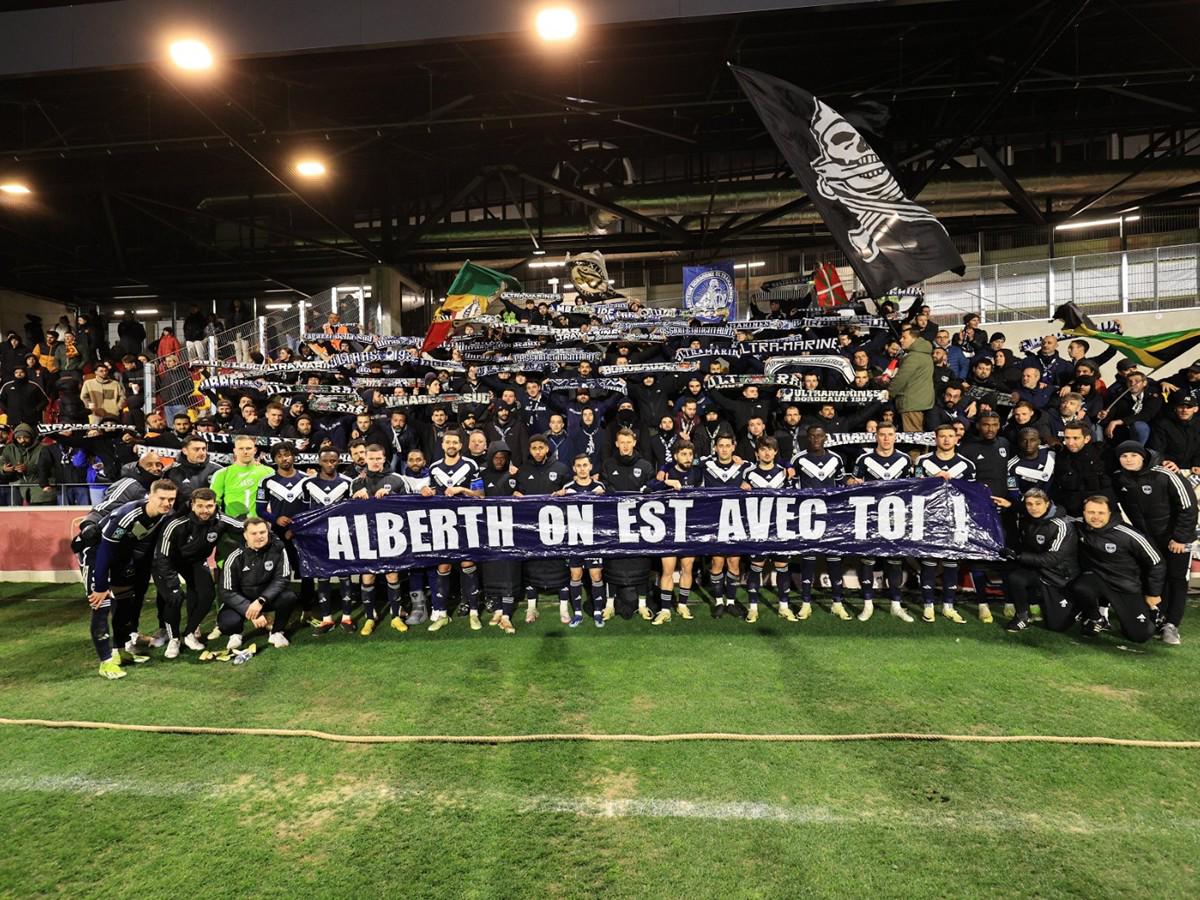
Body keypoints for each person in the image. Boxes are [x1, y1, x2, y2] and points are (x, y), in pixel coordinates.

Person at [83, 478, 177, 680]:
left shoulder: (162, 515)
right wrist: (100, 586)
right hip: (95, 554)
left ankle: (120, 651)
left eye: (171, 499)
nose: (167, 503)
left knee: (125, 605)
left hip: (120, 558)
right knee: (101, 606)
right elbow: (105, 550)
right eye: (162, 498)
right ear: (150, 497)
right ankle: (106, 662)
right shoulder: (128, 515)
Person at [1112, 441, 1196, 646]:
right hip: (1148, 540)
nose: (1129, 459)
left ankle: (1172, 625)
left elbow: (1188, 507)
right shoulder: (1120, 478)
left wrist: (1181, 538)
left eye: (1133, 455)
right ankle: (1156, 617)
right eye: (1124, 456)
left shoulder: (1166, 474)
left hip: (1176, 538)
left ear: (1143, 456)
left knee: (1176, 579)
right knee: (1153, 576)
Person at [152, 487, 242, 657]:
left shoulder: (220, 519)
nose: (205, 511)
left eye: (209, 506)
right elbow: (162, 557)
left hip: (194, 562)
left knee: (207, 595)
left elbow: (245, 527)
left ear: (215, 505)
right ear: (192, 505)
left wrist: (268, 535)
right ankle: (174, 639)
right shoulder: (176, 523)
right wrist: (173, 584)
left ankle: (189, 634)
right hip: (166, 563)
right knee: (174, 597)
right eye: (200, 506)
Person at [1067, 495, 1164, 643]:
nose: (1095, 517)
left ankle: (1153, 613)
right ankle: (1096, 619)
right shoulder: (1080, 525)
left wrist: (1153, 593)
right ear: (1084, 513)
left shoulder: (1129, 535)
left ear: (1110, 513)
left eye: (1101, 513)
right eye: (1091, 512)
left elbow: (1157, 563)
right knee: (1080, 587)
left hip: (1125, 585)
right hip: (1098, 578)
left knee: (1140, 636)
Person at [845, 423, 914, 622]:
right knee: (868, 559)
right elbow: (853, 485)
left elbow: (912, 487)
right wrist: (852, 483)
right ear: (876, 436)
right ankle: (867, 604)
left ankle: (896, 604)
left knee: (894, 560)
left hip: (896, 517)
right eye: (882, 435)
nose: (886, 438)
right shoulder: (864, 459)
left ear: (895, 437)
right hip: (869, 516)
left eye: (890, 435)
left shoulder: (904, 459)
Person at [914, 424, 976, 624]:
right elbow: (913, 488)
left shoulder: (967, 465)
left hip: (955, 519)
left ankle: (949, 606)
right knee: (929, 562)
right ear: (936, 438)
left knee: (951, 563)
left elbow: (972, 494)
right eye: (943, 436)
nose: (947, 440)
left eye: (951, 436)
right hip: (929, 517)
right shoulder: (922, 461)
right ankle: (928, 605)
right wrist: (933, 479)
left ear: (957, 439)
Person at [422, 430, 483, 631]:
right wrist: (426, 492)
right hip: (442, 523)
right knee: (443, 566)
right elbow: (429, 492)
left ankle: (474, 612)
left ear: (460, 445)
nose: (451, 445)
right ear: (442, 445)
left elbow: (481, 495)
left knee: (468, 563)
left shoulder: (470, 465)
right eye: (447, 441)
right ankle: (442, 613)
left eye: (455, 442)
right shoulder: (433, 468)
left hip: (466, 522)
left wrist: (462, 490)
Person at [790, 425, 851, 620]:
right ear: (807, 438)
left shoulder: (836, 459)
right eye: (812, 436)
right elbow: (792, 490)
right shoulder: (798, 459)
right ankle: (805, 603)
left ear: (825, 437)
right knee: (808, 559)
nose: (816, 439)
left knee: (834, 560)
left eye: (819, 436)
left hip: (831, 517)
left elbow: (842, 484)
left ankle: (837, 603)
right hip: (807, 517)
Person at [350, 444, 410, 635]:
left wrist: (392, 497)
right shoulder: (356, 483)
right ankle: (369, 618)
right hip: (366, 536)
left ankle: (395, 617)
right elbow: (345, 513)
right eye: (371, 458)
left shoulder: (397, 479)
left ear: (384, 459)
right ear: (364, 459)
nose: (375, 462)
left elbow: (411, 506)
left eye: (378, 458)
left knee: (392, 575)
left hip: (391, 535)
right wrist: (354, 499)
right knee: (367, 576)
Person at [514, 434, 573, 624]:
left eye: (541, 447)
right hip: (532, 528)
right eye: (534, 448)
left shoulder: (561, 468)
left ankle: (564, 608)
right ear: (530, 450)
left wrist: (566, 492)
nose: (538, 451)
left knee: (559, 564)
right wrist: (515, 494)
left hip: (557, 527)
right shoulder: (523, 470)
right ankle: (531, 608)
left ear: (547, 448)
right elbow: (516, 493)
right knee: (532, 564)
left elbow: (573, 491)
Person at [1001, 488, 1079, 632]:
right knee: (1016, 578)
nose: (1033, 508)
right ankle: (1023, 616)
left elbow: (1053, 558)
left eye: (1038, 503)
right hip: (1038, 571)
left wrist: (1019, 556)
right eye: (1029, 504)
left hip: (1059, 576)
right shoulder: (1027, 519)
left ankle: (1078, 607)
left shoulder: (1062, 525)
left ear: (1047, 504)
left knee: (1057, 627)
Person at [599, 427, 656, 619]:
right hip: (614, 525)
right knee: (612, 563)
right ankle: (609, 605)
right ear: (617, 444)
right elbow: (605, 488)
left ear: (634, 443)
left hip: (639, 526)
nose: (625, 446)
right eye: (621, 442)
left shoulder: (646, 466)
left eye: (628, 442)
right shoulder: (607, 464)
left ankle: (641, 604)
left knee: (641, 563)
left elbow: (653, 489)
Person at [216, 517, 296, 651]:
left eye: (262, 532)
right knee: (227, 623)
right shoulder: (234, 557)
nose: (259, 537)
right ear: (245, 535)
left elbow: (282, 579)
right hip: (242, 600)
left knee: (289, 597)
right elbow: (227, 591)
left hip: (265, 599)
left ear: (268, 532)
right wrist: (250, 609)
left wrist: (261, 600)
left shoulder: (278, 549)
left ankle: (277, 632)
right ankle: (236, 634)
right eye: (254, 533)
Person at [302, 448, 356, 635]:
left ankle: (347, 617)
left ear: (338, 461)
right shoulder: (307, 483)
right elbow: (304, 511)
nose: (330, 464)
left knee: (344, 574)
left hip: (341, 535)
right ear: (319, 462)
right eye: (326, 461)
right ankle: (326, 618)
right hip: (317, 537)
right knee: (322, 576)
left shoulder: (348, 482)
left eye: (334, 461)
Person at [740, 436, 795, 624]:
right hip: (758, 528)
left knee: (782, 567)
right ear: (757, 453)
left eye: (770, 449)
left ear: (775, 452)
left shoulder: (785, 473)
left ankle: (784, 607)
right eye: (763, 449)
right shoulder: (748, 473)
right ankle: (753, 608)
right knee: (756, 567)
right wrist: (741, 488)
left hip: (781, 528)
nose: (767, 452)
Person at [256, 443, 314, 613]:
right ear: (274, 459)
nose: (284, 459)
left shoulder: (307, 480)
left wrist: (297, 526)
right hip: (279, 534)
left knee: (306, 570)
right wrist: (275, 518)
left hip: (302, 533)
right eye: (279, 456)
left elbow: (312, 508)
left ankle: (307, 609)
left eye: (287, 454)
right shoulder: (266, 482)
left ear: (294, 456)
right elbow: (260, 509)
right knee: (281, 571)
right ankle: (282, 606)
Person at [699, 430, 750, 618]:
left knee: (734, 562)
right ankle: (719, 601)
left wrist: (748, 484)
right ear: (715, 448)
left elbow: (763, 466)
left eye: (728, 445)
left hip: (736, 521)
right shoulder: (705, 464)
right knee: (717, 561)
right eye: (721, 446)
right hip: (714, 520)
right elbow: (684, 461)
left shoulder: (745, 466)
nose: (724, 449)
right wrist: (664, 470)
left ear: (734, 447)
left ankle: (731, 601)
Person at [652, 439, 702, 625]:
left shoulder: (698, 472)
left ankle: (682, 604)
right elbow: (650, 487)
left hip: (690, 529)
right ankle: (665, 609)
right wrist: (666, 481)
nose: (687, 458)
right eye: (683, 454)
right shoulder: (668, 472)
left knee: (687, 567)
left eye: (690, 454)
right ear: (675, 456)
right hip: (669, 529)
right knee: (668, 569)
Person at [555, 453, 607, 627]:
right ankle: (577, 612)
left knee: (595, 574)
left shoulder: (599, 486)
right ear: (574, 468)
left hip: (593, 539)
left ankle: (598, 611)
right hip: (574, 539)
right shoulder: (568, 487)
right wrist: (557, 495)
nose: (582, 469)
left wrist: (604, 496)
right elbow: (556, 507)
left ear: (591, 467)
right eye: (579, 466)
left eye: (585, 465)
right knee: (576, 574)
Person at [479, 441, 521, 634]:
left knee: (509, 572)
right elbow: (479, 497)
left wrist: (519, 492)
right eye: (497, 457)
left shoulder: (515, 475)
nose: (500, 460)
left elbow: (520, 495)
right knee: (492, 571)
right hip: (489, 531)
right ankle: (497, 609)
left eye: (503, 457)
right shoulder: (482, 475)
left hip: (510, 531)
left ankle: (506, 614)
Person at [1051, 423, 1113, 517]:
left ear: (1087, 439)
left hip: (1101, 511)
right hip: (1071, 512)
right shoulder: (1060, 456)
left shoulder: (1103, 453)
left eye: (1076, 438)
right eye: (1067, 438)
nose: (1070, 443)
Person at [211, 435, 274, 519]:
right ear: (235, 451)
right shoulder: (222, 474)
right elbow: (213, 502)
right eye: (241, 449)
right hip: (232, 527)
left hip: (260, 527)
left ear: (255, 450)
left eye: (248, 448)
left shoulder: (268, 472)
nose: (245, 452)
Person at [886, 324, 935, 433]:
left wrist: (889, 393)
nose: (901, 340)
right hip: (922, 400)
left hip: (911, 402)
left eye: (904, 337)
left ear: (914, 339)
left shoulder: (913, 357)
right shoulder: (925, 354)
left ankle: (915, 451)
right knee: (921, 436)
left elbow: (902, 377)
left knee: (913, 437)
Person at [167, 435, 223, 509]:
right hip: (183, 515)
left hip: (210, 515)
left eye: (204, 449)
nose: (202, 453)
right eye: (196, 449)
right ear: (185, 451)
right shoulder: (173, 472)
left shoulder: (218, 471)